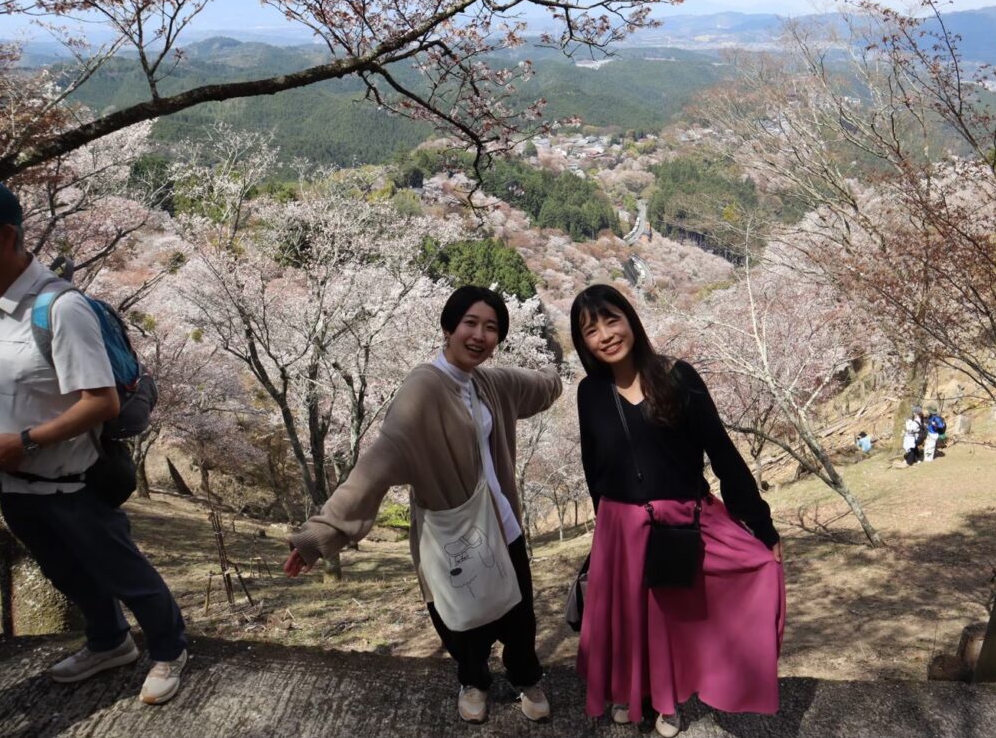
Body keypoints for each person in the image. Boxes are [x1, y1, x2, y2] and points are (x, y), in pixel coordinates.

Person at [0, 180, 188, 704]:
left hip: (70, 481)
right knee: (66, 573)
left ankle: (170, 649)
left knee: (124, 572)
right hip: (14, 483)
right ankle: (109, 642)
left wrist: (28, 441)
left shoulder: (60, 308)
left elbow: (100, 402)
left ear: (6, 235)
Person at [284, 286, 562, 724]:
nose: (479, 335)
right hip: (454, 532)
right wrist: (323, 534)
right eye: (470, 323)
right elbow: (379, 461)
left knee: (520, 614)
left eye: (491, 328)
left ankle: (526, 677)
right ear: (448, 327)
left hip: (503, 525)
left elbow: (541, 387)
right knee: (462, 619)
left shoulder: (489, 381)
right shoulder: (423, 388)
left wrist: (559, 375)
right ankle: (474, 681)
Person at [570, 284, 785, 738]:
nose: (606, 335)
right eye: (591, 330)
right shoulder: (590, 392)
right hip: (620, 526)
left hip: (683, 520)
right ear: (583, 342)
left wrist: (760, 525)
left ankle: (669, 704)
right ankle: (631, 693)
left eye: (612, 320)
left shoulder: (676, 376)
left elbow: (722, 453)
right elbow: (595, 466)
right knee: (631, 618)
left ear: (630, 320)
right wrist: (603, 533)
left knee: (670, 615)